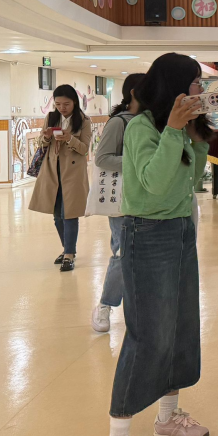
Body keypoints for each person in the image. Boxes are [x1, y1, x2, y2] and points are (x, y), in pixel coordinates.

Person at [96, 54, 214, 436]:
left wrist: (194, 135)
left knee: (180, 327)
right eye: (196, 82)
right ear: (174, 86)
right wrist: (176, 131)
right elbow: (154, 182)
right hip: (147, 233)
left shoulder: (174, 127)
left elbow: (192, 180)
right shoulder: (141, 127)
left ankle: (167, 416)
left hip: (180, 229)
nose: (201, 90)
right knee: (148, 334)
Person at [91, 73, 146, 331]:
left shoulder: (153, 121)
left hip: (150, 197)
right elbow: (102, 158)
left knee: (147, 254)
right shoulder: (119, 122)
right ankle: (106, 304)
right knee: (124, 252)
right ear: (134, 93)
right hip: (123, 199)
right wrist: (138, 163)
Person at [29, 84, 93, 272]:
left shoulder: (84, 121)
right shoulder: (51, 118)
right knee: (57, 215)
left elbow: (84, 149)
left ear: (74, 102)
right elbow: (41, 144)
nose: (62, 108)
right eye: (58, 104)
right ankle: (67, 249)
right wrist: (46, 137)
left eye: (66, 104)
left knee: (70, 213)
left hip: (73, 173)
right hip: (52, 171)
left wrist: (69, 138)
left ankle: (69, 254)